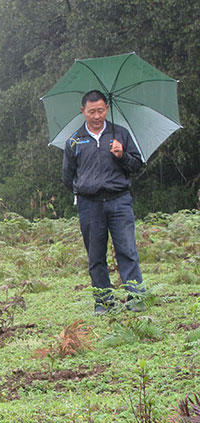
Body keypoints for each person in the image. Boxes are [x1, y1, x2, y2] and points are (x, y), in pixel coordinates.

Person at [62, 90, 145, 314]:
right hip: (89, 206)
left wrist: (122, 155)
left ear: (107, 109)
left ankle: (135, 297)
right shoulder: (74, 140)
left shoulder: (121, 134)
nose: (96, 116)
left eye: (100, 110)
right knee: (96, 256)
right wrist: (83, 191)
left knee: (127, 250)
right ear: (83, 112)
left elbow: (137, 165)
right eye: (92, 112)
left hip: (119, 201)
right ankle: (103, 301)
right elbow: (67, 176)